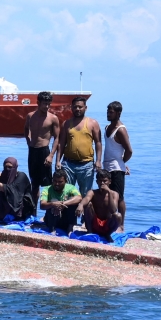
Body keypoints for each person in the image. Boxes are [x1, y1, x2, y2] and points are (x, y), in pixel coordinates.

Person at [55, 96, 102, 198]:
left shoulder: (93, 123)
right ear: (71, 108)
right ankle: (69, 214)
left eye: (80, 107)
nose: (78, 109)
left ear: (85, 107)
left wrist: (98, 160)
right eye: (75, 107)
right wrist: (58, 160)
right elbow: (61, 143)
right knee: (66, 194)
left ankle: (85, 214)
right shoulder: (66, 123)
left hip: (86, 165)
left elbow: (98, 142)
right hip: (68, 164)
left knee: (85, 196)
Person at [25, 90, 61, 205]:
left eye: (49, 104)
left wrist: (51, 156)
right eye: (44, 104)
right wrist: (28, 140)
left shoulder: (53, 118)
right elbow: (26, 129)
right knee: (34, 183)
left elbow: (57, 138)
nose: (47, 106)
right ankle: (33, 212)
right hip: (32, 151)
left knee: (47, 184)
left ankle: (47, 213)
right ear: (38, 103)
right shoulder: (30, 116)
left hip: (44, 151)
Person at [103, 100, 133, 229]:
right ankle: (110, 221)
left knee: (119, 197)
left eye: (111, 112)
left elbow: (129, 150)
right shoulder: (107, 127)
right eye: (107, 111)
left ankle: (121, 224)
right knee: (107, 195)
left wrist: (122, 163)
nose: (108, 114)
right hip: (106, 167)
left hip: (116, 169)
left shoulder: (121, 130)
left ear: (118, 113)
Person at [79, 170, 122, 242]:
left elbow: (113, 210)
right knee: (88, 205)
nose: (102, 183)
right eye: (100, 181)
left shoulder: (114, 194)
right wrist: (80, 205)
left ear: (110, 182)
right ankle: (90, 232)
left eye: (105, 181)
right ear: (97, 182)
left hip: (106, 225)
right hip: (94, 223)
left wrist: (109, 192)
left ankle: (107, 234)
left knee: (118, 216)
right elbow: (86, 198)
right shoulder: (93, 192)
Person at [0, 157, 34, 221]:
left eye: (10, 167)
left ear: (15, 167)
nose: (7, 169)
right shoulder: (4, 174)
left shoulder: (21, 176)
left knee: (10, 194)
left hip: (20, 204)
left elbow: (10, 190)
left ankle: (16, 216)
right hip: (7, 204)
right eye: (5, 167)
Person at [40, 169, 82, 233]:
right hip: (52, 219)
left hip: (66, 219)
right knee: (53, 202)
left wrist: (63, 204)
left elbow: (79, 198)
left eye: (60, 182)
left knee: (72, 202)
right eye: (55, 181)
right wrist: (53, 204)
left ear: (65, 181)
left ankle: (69, 229)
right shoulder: (47, 189)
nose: (57, 184)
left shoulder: (71, 188)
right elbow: (42, 205)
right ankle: (52, 229)